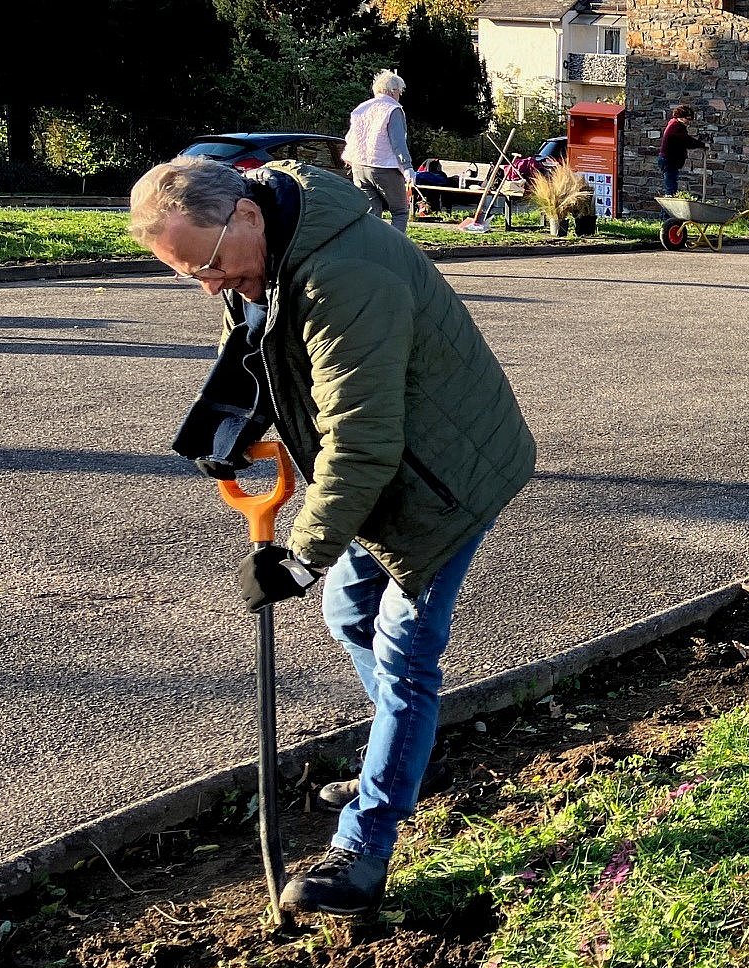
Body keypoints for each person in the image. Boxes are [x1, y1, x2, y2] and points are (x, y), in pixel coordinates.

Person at [129, 155, 535, 918]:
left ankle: (366, 847)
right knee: (349, 612)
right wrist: (226, 426)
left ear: (244, 216)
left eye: (209, 265)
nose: (210, 285)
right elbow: (258, 350)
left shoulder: (345, 275)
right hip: (387, 471)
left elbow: (363, 444)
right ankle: (404, 753)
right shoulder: (260, 248)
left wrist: (301, 557)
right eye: (190, 276)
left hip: (443, 478)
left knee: (403, 651)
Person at [343, 69, 416, 232]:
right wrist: (408, 167)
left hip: (359, 166)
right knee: (400, 211)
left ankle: (371, 251)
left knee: (371, 215)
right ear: (393, 91)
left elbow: (351, 137)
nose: (400, 95)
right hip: (384, 166)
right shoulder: (392, 109)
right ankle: (394, 251)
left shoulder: (362, 108)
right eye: (400, 91)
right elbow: (398, 142)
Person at [657, 104, 706, 196]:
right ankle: (668, 210)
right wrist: (702, 145)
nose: (689, 122)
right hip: (669, 160)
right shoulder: (675, 127)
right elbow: (686, 140)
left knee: (671, 187)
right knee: (670, 190)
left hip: (670, 160)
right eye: (688, 118)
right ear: (681, 117)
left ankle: (669, 208)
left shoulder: (676, 125)